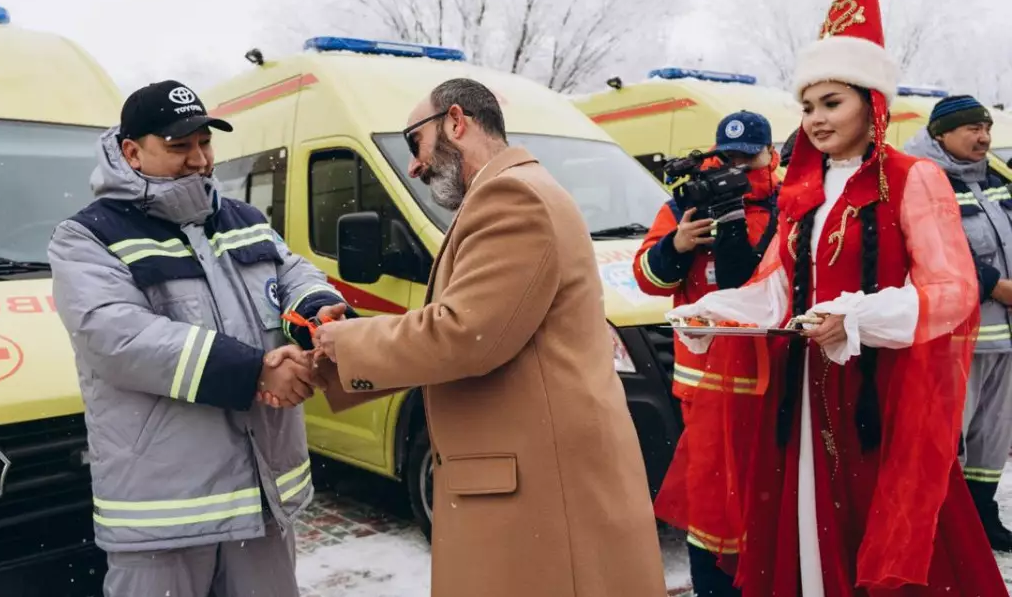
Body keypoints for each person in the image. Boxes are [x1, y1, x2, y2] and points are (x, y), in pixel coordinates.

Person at [667, 0, 1006, 595]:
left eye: (832, 102)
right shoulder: (804, 190)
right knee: (805, 534)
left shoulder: (913, 178)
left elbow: (953, 289)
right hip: (801, 391)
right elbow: (777, 286)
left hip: (882, 391)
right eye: (807, 106)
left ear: (871, 103)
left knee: (890, 531)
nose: (816, 118)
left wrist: (858, 318)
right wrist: (716, 309)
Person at [307, 78, 668, 597]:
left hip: (539, 489)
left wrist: (342, 344)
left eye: (414, 142)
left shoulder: (511, 196)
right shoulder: (514, 191)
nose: (414, 165)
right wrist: (338, 360)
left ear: (456, 122)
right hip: (535, 482)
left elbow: (465, 333)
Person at [48, 80, 354, 597]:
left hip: (261, 501)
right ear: (132, 152)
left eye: (205, 142)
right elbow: (117, 338)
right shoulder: (88, 236)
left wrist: (316, 310)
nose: (199, 159)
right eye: (179, 146)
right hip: (164, 516)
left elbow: (294, 274)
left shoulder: (243, 220)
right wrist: (256, 372)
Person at [635, 110, 781, 596]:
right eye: (728, 157)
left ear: (771, 155)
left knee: (768, 502)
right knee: (710, 506)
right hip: (706, 390)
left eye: (747, 158)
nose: (735, 167)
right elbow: (647, 278)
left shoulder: (791, 203)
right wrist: (676, 246)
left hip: (774, 386)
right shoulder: (687, 205)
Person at [904, 94, 1012, 552]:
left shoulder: (995, 179)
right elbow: (934, 251)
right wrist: (996, 286)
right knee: (950, 435)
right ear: (941, 135)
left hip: (1004, 337)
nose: (983, 137)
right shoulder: (924, 180)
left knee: (994, 434)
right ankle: (946, 526)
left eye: (986, 128)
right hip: (959, 336)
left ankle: (983, 515)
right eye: (972, 128)